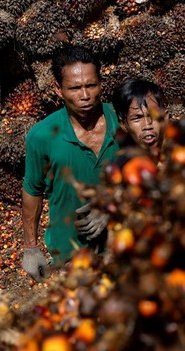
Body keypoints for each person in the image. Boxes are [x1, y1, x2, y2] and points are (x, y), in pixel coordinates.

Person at [21, 45, 120, 282]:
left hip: (125, 244)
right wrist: (31, 248)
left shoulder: (123, 119)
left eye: (91, 85)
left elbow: (152, 171)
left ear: (101, 83)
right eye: (75, 88)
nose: (85, 96)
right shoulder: (42, 136)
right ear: (58, 89)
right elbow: (32, 190)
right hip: (70, 253)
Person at [111, 79, 168, 162]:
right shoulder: (124, 170)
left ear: (165, 117)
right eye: (137, 118)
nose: (147, 125)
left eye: (153, 115)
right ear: (123, 125)